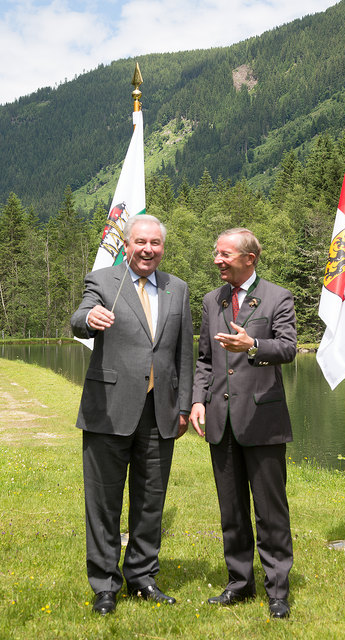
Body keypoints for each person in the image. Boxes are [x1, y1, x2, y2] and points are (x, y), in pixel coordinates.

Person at [71, 214, 193, 615]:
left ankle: (142, 577)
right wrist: (90, 319)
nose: (147, 250)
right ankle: (105, 584)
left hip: (160, 412)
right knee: (103, 502)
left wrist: (183, 404)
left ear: (162, 247)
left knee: (150, 502)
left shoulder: (178, 289)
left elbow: (183, 356)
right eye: (140, 242)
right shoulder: (105, 280)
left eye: (155, 243)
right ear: (126, 245)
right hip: (109, 410)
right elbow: (79, 317)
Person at [190, 228, 296, 619]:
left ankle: (277, 592)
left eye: (224, 254)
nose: (217, 260)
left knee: (271, 512)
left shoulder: (277, 296)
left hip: (263, 421)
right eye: (216, 253)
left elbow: (287, 349)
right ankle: (239, 583)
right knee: (231, 511)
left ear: (249, 258)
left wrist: (252, 346)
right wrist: (199, 400)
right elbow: (204, 359)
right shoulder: (210, 300)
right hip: (221, 421)